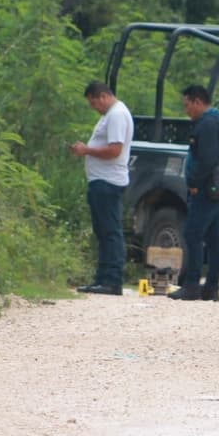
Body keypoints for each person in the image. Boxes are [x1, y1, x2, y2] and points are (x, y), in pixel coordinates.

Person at [70, 81, 134, 295]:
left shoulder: (116, 115)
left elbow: (115, 150)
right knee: (103, 230)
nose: (94, 108)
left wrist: (86, 150)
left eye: (93, 103)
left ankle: (112, 279)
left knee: (110, 231)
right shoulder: (111, 115)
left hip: (108, 181)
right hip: (101, 180)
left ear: (103, 96)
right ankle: (102, 278)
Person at [170, 84, 219, 301]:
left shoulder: (208, 125)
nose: (187, 110)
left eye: (188, 105)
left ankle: (192, 284)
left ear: (198, 102)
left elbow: (207, 159)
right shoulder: (214, 120)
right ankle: (211, 287)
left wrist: (195, 182)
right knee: (213, 238)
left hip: (205, 189)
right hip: (213, 189)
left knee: (193, 234)